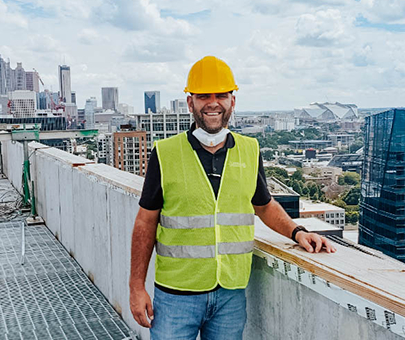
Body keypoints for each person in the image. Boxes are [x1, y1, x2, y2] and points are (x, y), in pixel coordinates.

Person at [129, 56, 336, 340]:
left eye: (221, 95)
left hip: (230, 295)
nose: (213, 103)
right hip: (177, 296)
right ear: (191, 103)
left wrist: (297, 232)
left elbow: (264, 205)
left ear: (232, 102)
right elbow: (145, 222)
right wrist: (136, 287)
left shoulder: (250, 150)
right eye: (204, 96)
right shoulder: (165, 153)